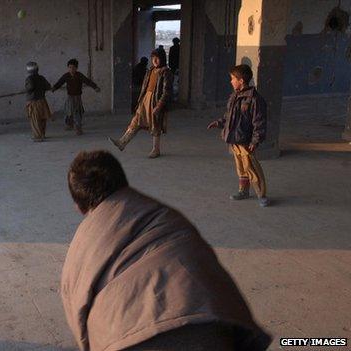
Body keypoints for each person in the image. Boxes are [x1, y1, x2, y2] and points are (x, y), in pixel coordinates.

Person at [61, 150, 272, 351]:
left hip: (126, 339)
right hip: (212, 328)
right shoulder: (168, 216)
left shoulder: (81, 246)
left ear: (78, 208)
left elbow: (79, 323)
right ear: (123, 182)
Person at [207, 64, 269, 207]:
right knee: (240, 168)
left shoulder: (254, 99)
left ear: (241, 80)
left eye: (233, 78)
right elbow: (229, 116)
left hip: (245, 141)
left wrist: (255, 140)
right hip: (235, 138)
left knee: (251, 168)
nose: (231, 81)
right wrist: (219, 123)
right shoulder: (235, 96)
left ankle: (261, 194)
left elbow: (259, 122)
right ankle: (243, 191)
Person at [109, 49, 173, 158]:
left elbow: (166, 91)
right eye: (153, 58)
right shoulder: (150, 70)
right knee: (136, 120)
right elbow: (145, 86)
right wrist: (141, 100)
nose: (155, 60)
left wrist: (159, 105)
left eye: (157, 58)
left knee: (155, 125)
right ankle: (122, 142)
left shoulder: (165, 72)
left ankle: (156, 149)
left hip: (155, 100)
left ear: (162, 58)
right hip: (146, 99)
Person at [52, 58, 100, 135]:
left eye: (73, 68)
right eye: (70, 67)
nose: (71, 69)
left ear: (76, 68)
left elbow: (87, 81)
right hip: (69, 97)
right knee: (68, 111)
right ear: (68, 68)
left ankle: (78, 127)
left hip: (77, 97)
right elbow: (60, 82)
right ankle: (69, 124)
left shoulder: (79, 75)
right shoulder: (66, 76)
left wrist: (95, 87)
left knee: (77, 112)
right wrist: (54, 88)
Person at [24, 62, 53, 142]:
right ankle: (42, 134)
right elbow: (48, 86)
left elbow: (30, 88)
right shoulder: (42, 78)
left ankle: (38, 136)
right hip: (42, 101)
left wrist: (27, 88)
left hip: (33, 102)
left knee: (35, 119)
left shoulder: (29, 78)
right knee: (42, 118)